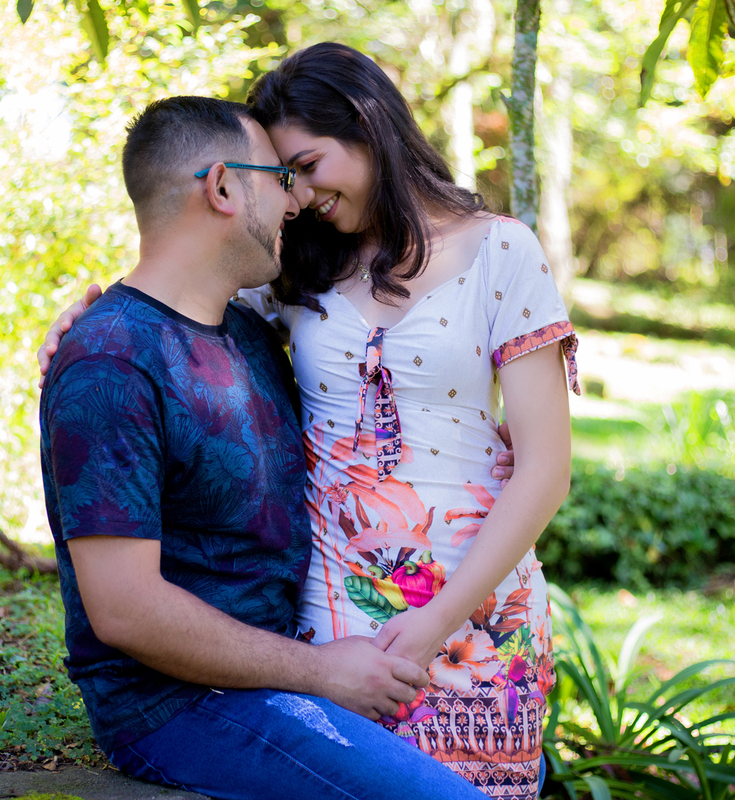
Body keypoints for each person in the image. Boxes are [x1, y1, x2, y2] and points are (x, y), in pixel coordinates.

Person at [42, 43, 577, 799]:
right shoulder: (297, 272)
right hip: (331, 617)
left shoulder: (502, 251)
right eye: (282, 176)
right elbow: (178, 285)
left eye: (308, 165)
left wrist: (432, 627)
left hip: (474, 605)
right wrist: (88, 317)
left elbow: (546, 468)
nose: (297, 194)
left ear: (367, 125)